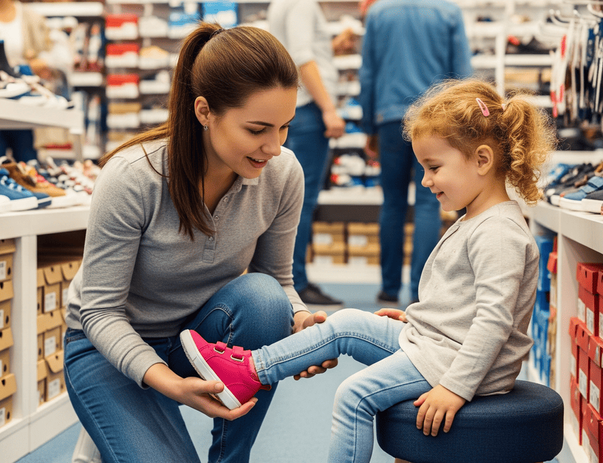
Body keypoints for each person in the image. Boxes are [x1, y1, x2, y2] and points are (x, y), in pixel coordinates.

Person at [181, 79, 557, 463]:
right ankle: (249, 371)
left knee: (353, 396)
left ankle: (250, 373)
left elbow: (494, 321)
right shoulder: (477, 220)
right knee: (346, 325)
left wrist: (456, 388)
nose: (425, 181)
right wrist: (418, 319)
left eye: (433, 167)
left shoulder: (497, 233)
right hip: (436, 346)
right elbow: (464, 302)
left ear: (481, 160)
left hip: (458, 365)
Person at [62, 22, 337, 463]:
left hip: (197, 338)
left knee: (266, 300)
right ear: (205, 111)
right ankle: (121, 414)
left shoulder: (283, 173)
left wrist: (301, 323)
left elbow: (277, 280)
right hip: (109, 346)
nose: (274, 147)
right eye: (257, 129)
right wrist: (169, 385)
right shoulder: (133, 177)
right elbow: (99, 311)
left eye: (284, 127)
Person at [359, 0, 474, 305]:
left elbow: (367, 72)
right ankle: (421, 291)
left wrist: (369, 125)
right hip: (436, 121)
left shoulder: (378, 12)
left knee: (392, 204)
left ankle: (389, 288)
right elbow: (462, 75)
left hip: (389, 118)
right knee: (428, 203)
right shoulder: (447, 11)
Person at [268, 0, 346, 309]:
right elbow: (302, 57)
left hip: (297, 109)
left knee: (287, 197)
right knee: (300, 200)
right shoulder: (301, 4)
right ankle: (295, 281)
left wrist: (332, 47)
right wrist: (329, 109)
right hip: (308, 111)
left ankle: (288, 277)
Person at [0, 0, 73, 163]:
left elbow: (51, 57)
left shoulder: (31, 18)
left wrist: (40, 64)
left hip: (23, 100)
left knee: (27, 159)